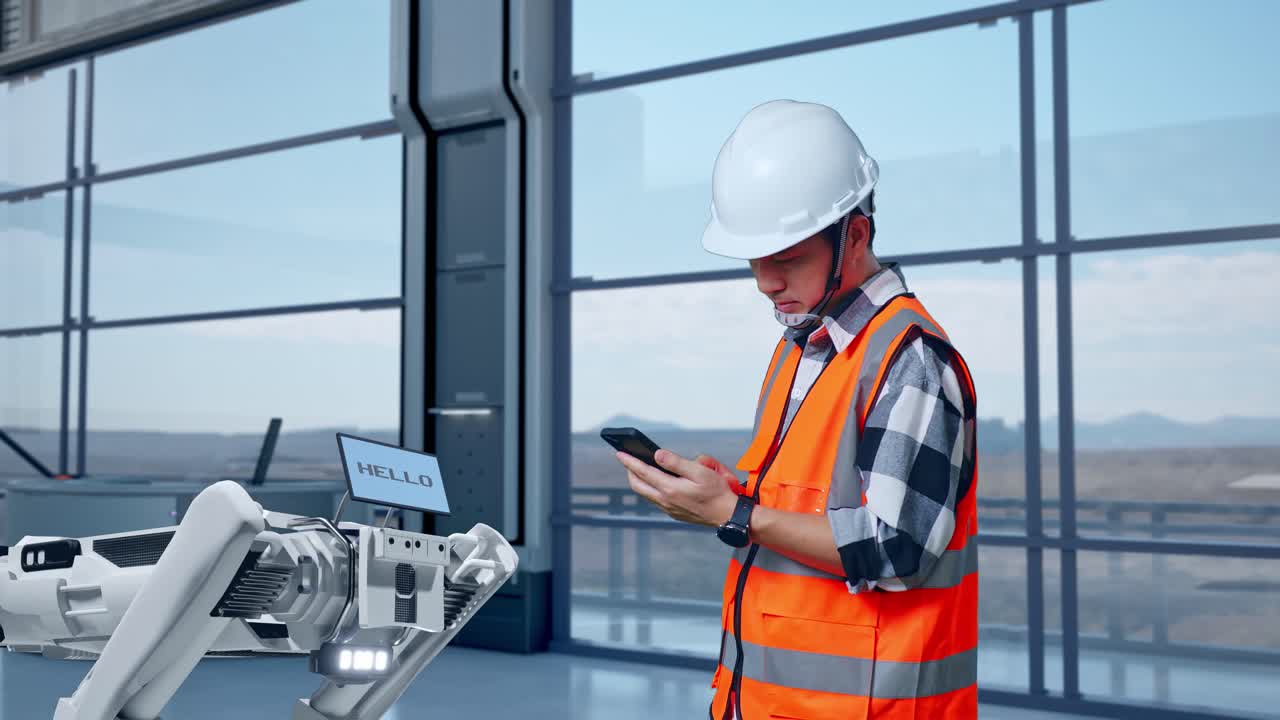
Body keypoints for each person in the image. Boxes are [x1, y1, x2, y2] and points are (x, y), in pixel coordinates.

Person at [611, 99, 980, 719]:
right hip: (764, 702)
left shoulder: (909, 359)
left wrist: (736, 514)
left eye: (785, 259)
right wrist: (732, 492)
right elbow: (811, 504)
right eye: (755, 261)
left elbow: (896, 550)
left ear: (854, 235)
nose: (765, 282)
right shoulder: (802, 349)